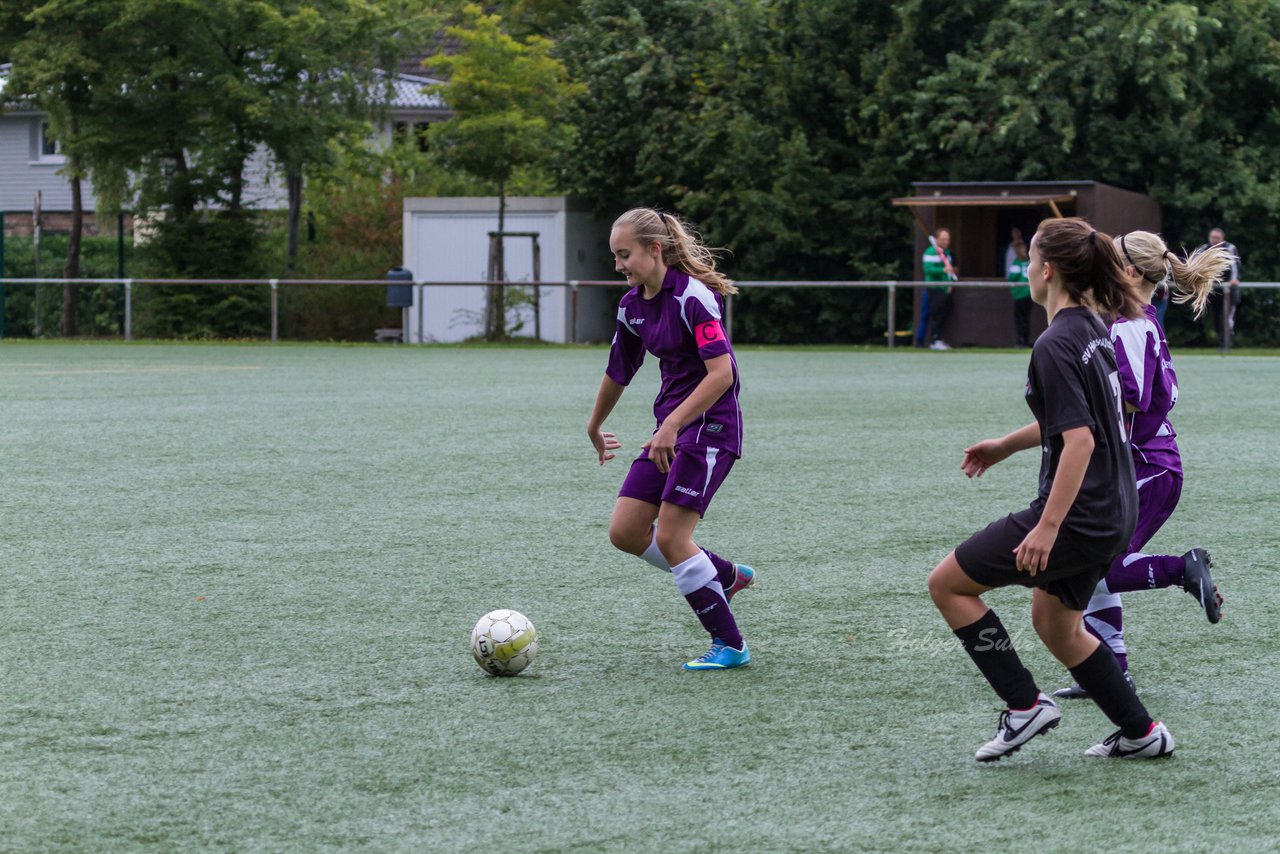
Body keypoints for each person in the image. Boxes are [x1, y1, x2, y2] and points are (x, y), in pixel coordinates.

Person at [927, 217, 1175, 762]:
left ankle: (1023, 706)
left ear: (1046, 270)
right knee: (1056, 624)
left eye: (1031, 259)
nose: (1027, 269)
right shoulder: (1091, 325)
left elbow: (1081, 442)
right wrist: (1007, 445)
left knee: (948, 584)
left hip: (1081, 515)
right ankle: (1143, 732)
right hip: (1116, 508)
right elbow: (1083, 422)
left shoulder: (1056, 342)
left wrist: (1047, 526)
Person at [1053, 231, 1229, 699]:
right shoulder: (1131, 319)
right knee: (1091, 564)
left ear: (1129, 273)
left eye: (1108, 260)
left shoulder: (1130, 325)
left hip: (1148, 465)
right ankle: (1110, 671)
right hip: (1140, 464)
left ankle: (1182, 569)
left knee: (1089, 565)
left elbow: (1131, 398)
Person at [586, 208, 755, 671]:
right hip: (673, 429)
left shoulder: (693, 298)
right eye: (615, 256)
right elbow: (620, 368)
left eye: (625, 255)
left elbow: (721, 374)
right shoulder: (631, 306)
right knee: (625, 531)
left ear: (654, 249)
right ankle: (724, 575)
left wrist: (672, 426)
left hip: (710, 428)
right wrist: (594, 424)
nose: (619, 265)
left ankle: (730, 645)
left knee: (674, 536)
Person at [917, 227, 957, 350]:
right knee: (935, 314)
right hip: (934, 288)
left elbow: (950, 271)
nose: (946, 242)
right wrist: (942, 270)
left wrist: (950, 283)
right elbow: (928, 270)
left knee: (942, 315)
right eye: (943, 239)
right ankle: (933, 340)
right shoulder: (930, 252)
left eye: (947, 239)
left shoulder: (947, 253)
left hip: (944, 288)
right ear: (936, 239)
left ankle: (938, 339)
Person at [1200, 228, 1241, 348]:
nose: (1215, 240)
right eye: (1213, 238)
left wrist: (1234, 279)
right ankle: (1222, 339)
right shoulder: (1204, 248)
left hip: (1228, 290)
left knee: (1226, 317)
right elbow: (1196, 263)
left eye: (1217, 238)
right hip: (1213, 291)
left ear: (1222, 238)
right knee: (1215, 319)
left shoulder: (1229, 248)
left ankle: (1226, 342)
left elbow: (1235, 265)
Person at [1006, 227, 1032, 347]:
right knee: (1026, 318)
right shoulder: (1029, 262)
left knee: (1020, 319)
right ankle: (1025, 340)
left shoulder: (1017, 262)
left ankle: (1021, 341)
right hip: (1029, 294)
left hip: (1020, 294)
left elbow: (1012, 277)